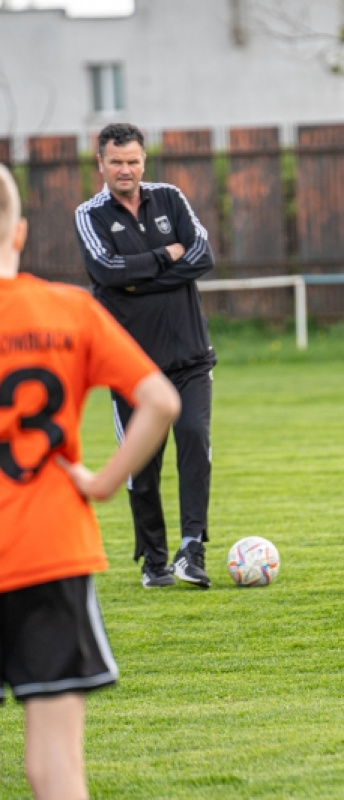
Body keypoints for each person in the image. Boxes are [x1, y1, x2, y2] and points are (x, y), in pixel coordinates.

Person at [0, 163, 180, 800]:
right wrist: (103, 482)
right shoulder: (66, 310)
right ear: (18, 233)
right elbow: (159, 399)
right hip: (47, 549)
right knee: (54, 769)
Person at [75, 122, 216, 589]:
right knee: (143, 465)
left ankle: (192, 549)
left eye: (133, 160)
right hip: (130, 367)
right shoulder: (90, 215)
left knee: (194, 440)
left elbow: (202, 256)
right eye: (116, 161)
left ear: (143, 160)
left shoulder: (171, 198)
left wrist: (139, 278)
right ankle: (154, 560)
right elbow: (106, 271)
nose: (126, 170)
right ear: (100, 163)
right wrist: (166, 256)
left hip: (192, 357)